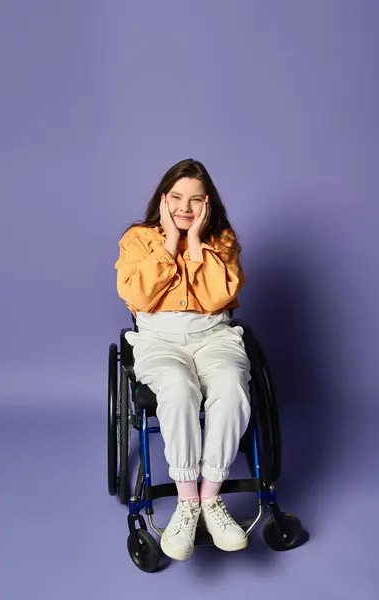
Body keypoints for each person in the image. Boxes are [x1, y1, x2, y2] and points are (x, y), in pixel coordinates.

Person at [115, 158, 251, 561]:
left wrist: (194, 243)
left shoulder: (222, 240)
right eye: (176, 198)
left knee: (230, 387)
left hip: (213, 335)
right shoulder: (138, 239)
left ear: (207, 203)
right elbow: (138, 297)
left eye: (194, 200)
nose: (184, 208)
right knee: (177, 389)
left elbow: (215, 298)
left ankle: (210, 498)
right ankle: (186, 500)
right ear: (163, 198)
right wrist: (170, 242)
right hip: (159, 339)